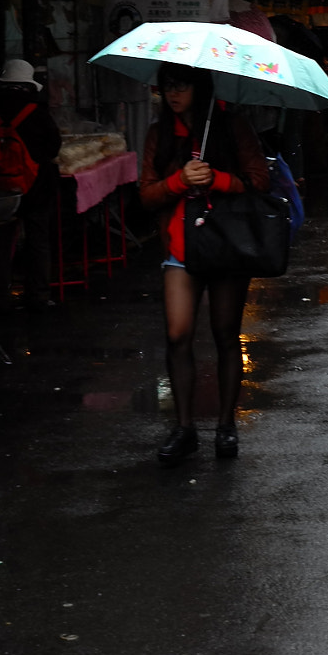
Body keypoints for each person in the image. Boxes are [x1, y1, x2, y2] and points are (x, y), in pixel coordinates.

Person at [139, 62, 273, 466]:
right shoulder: (159, 134)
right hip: (180, 247)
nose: (174, 94)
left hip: (228, 245)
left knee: (225, 333)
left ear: (200, 88)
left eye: (181, 86)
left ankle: (226, 425)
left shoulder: (233, 127)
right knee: (177, 334)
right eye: (167, 87)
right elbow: (146, 195)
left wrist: (215, 179)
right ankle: (184, 428)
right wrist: (180, 181)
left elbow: (258, 182)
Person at [0, 59, 62, 310]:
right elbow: (54, 145)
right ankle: (37, 295)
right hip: (36, 186)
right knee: (37, 239)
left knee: (0, 241)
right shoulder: (36, 110)